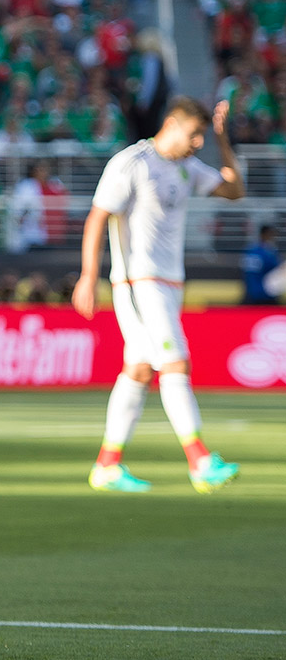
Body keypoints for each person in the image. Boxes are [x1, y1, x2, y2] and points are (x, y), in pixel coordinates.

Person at [74, 98, 247, 494]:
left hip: (168, 284)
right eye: (195, 134)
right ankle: (200, 461)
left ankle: (107, 466)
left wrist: (223, 140)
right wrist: (88, 276)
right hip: (139, 282)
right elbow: (98, 215)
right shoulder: (132, 163)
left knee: (137, 371)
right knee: (175, 363)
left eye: (204, 135)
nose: (198, 142)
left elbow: (235, 191)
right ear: (171, 124)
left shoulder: (186, 167)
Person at [240, 225, 282, 305]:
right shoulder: (267, 253)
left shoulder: (250, 250)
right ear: (265, 234)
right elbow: (275, 270)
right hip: (265, 294)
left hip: (250, 292)